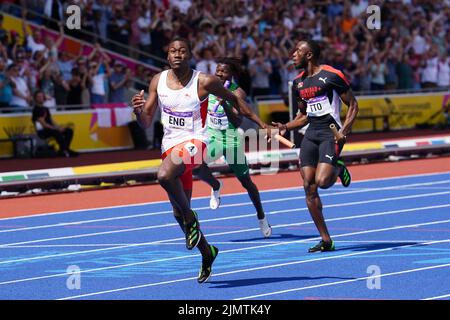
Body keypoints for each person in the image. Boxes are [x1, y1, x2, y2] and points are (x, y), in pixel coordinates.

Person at [130, 38, 270, 283]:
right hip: (170, 146)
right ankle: (207, 252)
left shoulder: (205, 81)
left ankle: (191, 217)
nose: (177, 54)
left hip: (196, 141)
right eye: (172, 51)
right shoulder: (158, 81)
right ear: (167, 56)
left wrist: (262, 125)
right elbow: (145, 121)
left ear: (190, 55)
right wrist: (138, 111)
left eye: (182, 51)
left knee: (163, 176)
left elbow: (236, 100)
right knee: (177, 211)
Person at [272, 39, 359, 253]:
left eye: (297, 52)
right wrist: (285, 126)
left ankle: (338, 168)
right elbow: (304, 117)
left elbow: (354, 105)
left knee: (323, 181)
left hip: (331, 133)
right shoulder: (298, 83)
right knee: (309, 187)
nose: (292, 55)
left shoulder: (332, 75)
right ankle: (326, 239)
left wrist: (343, 132)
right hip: (311, 134)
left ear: (309, 55)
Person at [194, 57, 272, 238]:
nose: (219, 74)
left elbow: (238, 121)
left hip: (231, 138)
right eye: (218, 70)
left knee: (246, 182)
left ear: (232, 74)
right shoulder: (207, 87)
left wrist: (225, 105)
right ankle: (215, 185)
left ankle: (261, 216)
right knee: (196, 164)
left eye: (224, 71)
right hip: (212, 135)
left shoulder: (238, 93)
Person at [31, 90, 78, 157]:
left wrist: (59, 127)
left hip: (51, 129)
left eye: (41, 96)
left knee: (69, 131)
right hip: (43, 131)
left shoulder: (45, 108)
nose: (40, 98)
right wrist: (56, 129)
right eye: (38, 97)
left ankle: (63, 150)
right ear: (35, 98)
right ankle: (66, 150)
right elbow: (44, 125)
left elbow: (51, 121)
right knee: (56, 131)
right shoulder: (36, 110)